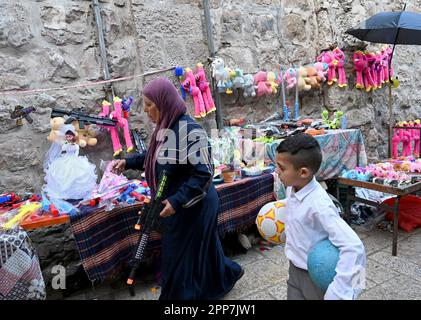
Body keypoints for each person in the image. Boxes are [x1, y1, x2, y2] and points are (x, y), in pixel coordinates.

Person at [112, 77, 244, 300]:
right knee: (203, 250)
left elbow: (204, 172)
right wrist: (129, 162)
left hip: (193, 205)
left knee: (177, 258)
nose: (145, 111)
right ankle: (223, 278)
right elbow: (156, 156)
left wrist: (176, 201)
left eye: (149, 104)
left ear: (164, 103)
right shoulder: (167, 128)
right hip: (180, 204)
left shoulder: (190, 131)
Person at [275, 133, 366, 300]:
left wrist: (340, 292)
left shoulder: (319, 205)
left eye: (281, 168)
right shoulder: (293, 188)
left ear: (303, 172)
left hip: (316, 275)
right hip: (295, 269)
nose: (276, 172)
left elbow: (354, 246)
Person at [43, 124, 97, 200]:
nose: (68, 138)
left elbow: (76, 152)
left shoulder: (76, 145)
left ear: (73, 136)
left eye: (70, 136)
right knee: (63, 173)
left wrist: (75, 158)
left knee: (78, 173)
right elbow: (64, 149)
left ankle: (78, 192)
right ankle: (64, 192)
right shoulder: (66, 144)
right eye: (67, 136)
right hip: (66, 158)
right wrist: (66, 145)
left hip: (74, 158)